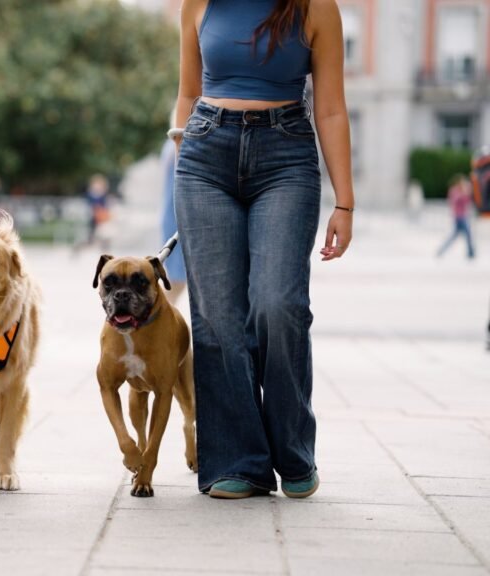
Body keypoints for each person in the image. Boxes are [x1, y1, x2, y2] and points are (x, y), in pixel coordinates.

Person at [173, 0, 354, 499]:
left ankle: (293, 453)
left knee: (278, 305)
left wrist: (346, 203)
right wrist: (182, 153)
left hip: (286, 154)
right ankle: (239, 461)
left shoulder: (316, 7)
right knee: (216, 316)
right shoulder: (199, 3)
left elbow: (332, 108)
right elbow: (188, 93)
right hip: (204, 154)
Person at [159, 133, 187, 302]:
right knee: (176, 282)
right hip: (178, 219)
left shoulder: (169, 147)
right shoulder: (175, 147)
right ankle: (154, 324)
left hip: (173, 217)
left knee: (176, 282)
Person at [436, 174, 476, 260]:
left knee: (459, 235)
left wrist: (468, 192)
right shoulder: (454, 190)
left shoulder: (463, 191)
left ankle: (470, 252)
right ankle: (470, 252)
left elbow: (468, 202)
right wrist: (464, 193)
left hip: (463, 215)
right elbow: (454, 200)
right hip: (459, 216)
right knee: (465, 234)